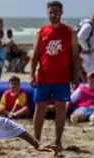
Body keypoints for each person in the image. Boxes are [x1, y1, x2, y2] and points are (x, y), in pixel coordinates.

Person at [30, 1, 81, 149]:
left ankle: (58, 141)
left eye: (56, 12)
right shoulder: (41, 32)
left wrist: (76, 77)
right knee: (40, 108)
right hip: (44, 77)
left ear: (61, 12)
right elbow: (35, 55)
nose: (53, 15)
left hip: (62, 78)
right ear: (48, 13)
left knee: (61, 109)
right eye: (51, 12)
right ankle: (36, 141)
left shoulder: (70, 32)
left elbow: (76, 57)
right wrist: (32, 75)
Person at [77, 9, 94, 80]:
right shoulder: (88, 26)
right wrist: (86, 49)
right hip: (87, 56)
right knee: (88, 76)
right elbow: (80, 37)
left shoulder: (87, 24)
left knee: (86, 75)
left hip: (86, 55)